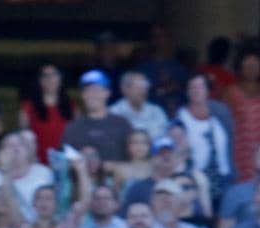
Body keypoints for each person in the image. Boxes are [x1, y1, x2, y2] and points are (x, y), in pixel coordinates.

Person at [177, 73, 234, 210]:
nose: (196, 90)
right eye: (192, 87)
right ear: (187, 91)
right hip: (197, 180)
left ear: (207, 90)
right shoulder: (181, 116)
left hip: (223, 178)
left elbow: (231, 141)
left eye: (200, 86)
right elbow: (179, 152)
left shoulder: (221, 111)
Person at [62, 70, 133, 162]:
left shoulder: (122, 124)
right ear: (83, 95)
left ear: (107, 93)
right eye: (87, 91)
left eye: (96, 90)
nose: (92, 95)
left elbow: (135, 158)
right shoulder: (72, 128)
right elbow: (64, 161)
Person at [0, 132, 53, 221]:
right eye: (9, 145)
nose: (15, 148)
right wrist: (5, 171)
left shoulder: (43, 172)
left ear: (28, 151)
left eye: (20, 144)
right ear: (0, 153)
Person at [19, 63, 74, 164]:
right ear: (40, 81)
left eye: (54, 75)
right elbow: (23, 138)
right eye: (45, 76)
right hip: (37, 163)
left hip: (65, 163)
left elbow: (76, 137)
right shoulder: (27, 107)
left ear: (60, 79)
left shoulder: (72, 106)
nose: (50, 79)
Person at [223, 46, 260, 182]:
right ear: (240, 66)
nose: (252, 68)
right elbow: (224, 127)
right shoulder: (230, 93)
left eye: (255, 64)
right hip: (238, 156)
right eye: (247, 65)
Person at [108, 72, 168, 141]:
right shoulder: (113, 113)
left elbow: (164, 138)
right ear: (125, 89)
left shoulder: (157, 111)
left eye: (145, 87)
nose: (142, 91)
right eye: (138, 87)